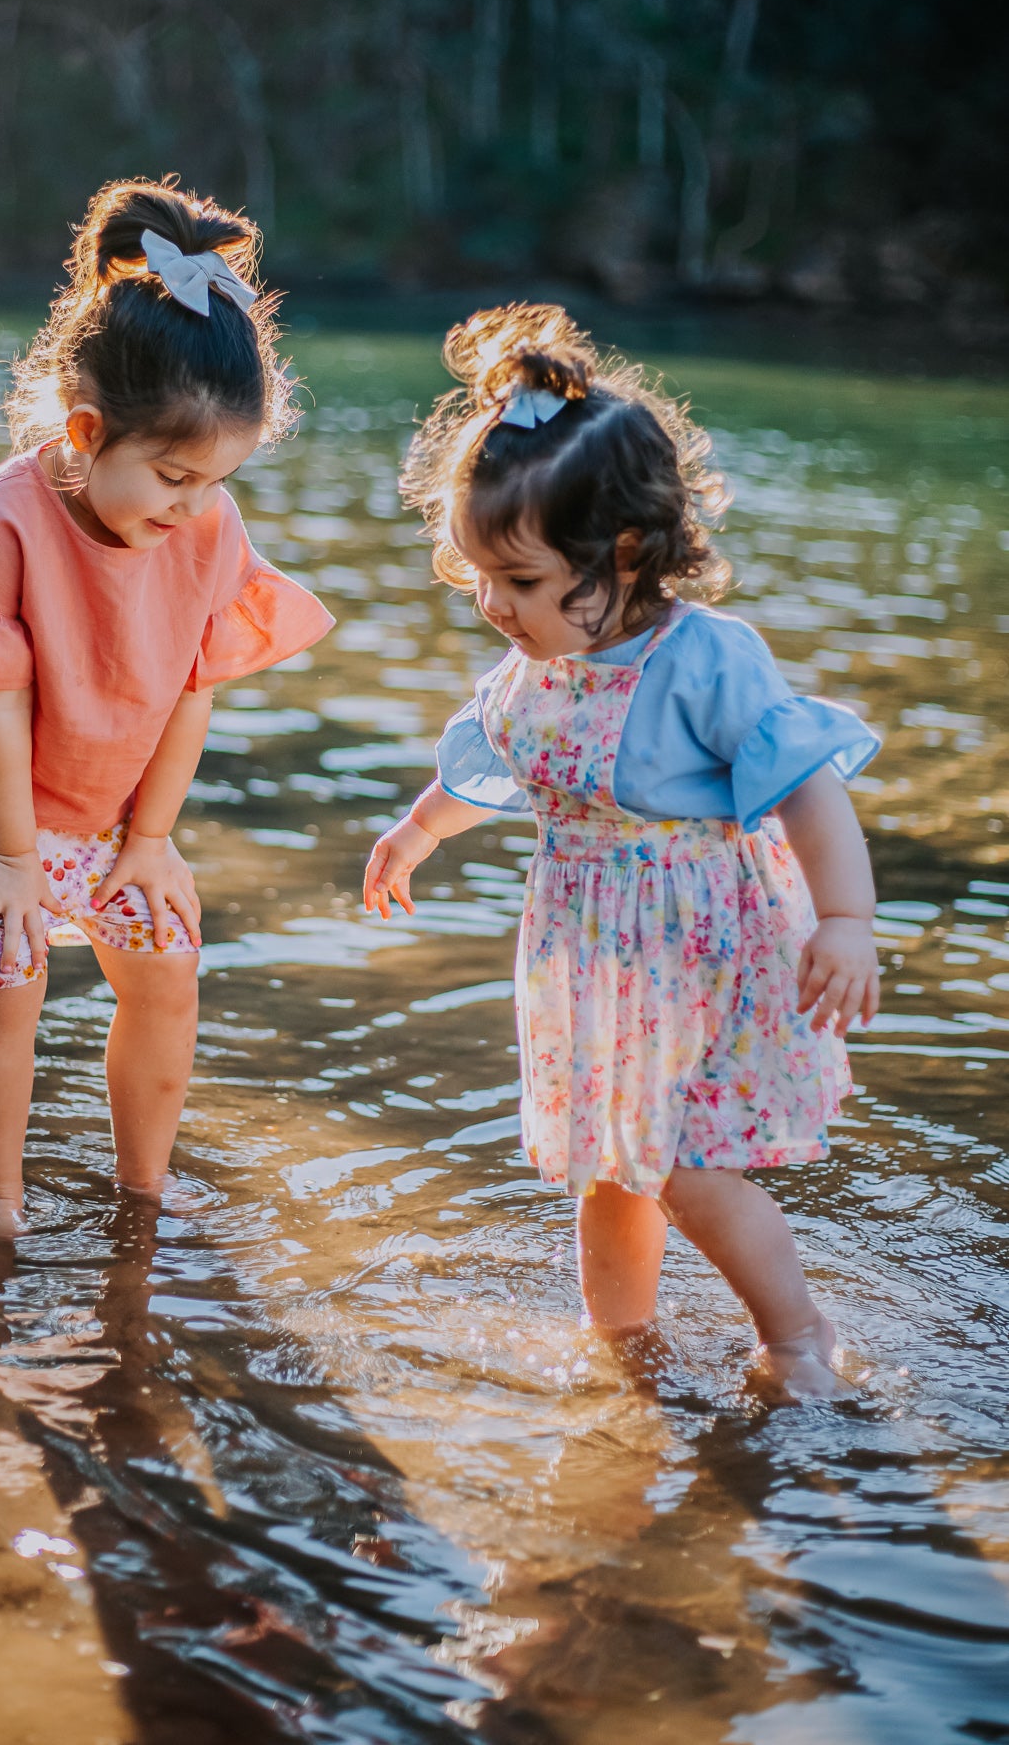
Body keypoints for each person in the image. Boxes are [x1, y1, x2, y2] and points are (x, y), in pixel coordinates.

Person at [363, 304, 880, 1396]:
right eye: (481, 581)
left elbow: (808, 787)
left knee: (690, 1165)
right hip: (593, 962)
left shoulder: (707, 659)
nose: (496, 608)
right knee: (610, 1165)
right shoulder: (533, 670)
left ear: (627, 552)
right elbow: (486, 769)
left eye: (524, 583)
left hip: (708, 954)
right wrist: (417, 831)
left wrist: (847, 920)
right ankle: (624, 1349)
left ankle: (796, 1335)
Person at [0, 178, 333, 1235]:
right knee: (7, 969)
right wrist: (16, 860)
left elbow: (193, 685)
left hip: (102, 767)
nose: (195, 506)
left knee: (166, 956)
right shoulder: (2, 519)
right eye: (172, 476)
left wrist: (152, 840)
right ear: (85, 429)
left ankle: (143, 1193)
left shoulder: (207, 526)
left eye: (217, 480)